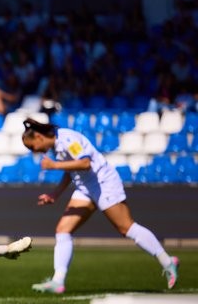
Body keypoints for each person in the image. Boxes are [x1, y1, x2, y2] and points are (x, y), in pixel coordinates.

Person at [21, 118, 179, 293]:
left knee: (126, 227)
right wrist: (55, 194)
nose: (33, 151)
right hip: (85, 188)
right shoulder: (57, 146)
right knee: (62, 230)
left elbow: (85, 163)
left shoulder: (68, 140)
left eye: (31, 147)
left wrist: (54, 165)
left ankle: (167, 261)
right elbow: (71, 170)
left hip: (104, 183)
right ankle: (58, 281)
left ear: (38, 137)